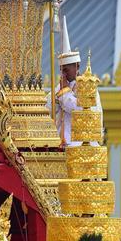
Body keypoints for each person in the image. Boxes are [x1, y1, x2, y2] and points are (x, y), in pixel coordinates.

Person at [47, 17, 102, 148]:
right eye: (61, 70)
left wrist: (64, 93)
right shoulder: (59, 87)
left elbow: (81, 111)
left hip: (81, 144)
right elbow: (48, 107)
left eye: (66, 70)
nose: (63, 74)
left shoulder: (87, 87)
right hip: (62, 144)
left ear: (77, 66)